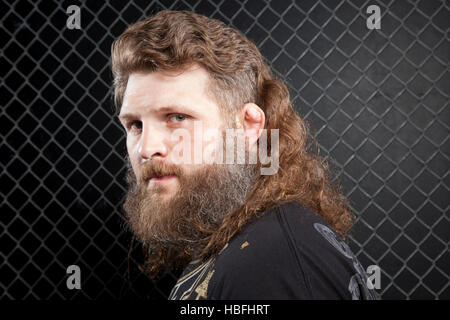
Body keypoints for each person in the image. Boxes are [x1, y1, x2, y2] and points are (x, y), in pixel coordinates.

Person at [111, 10, 379, 300]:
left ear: (248, 127)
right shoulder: (236, 238)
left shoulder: (274, 263)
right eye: (136, 124)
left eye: (177, 117)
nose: (147, 148)